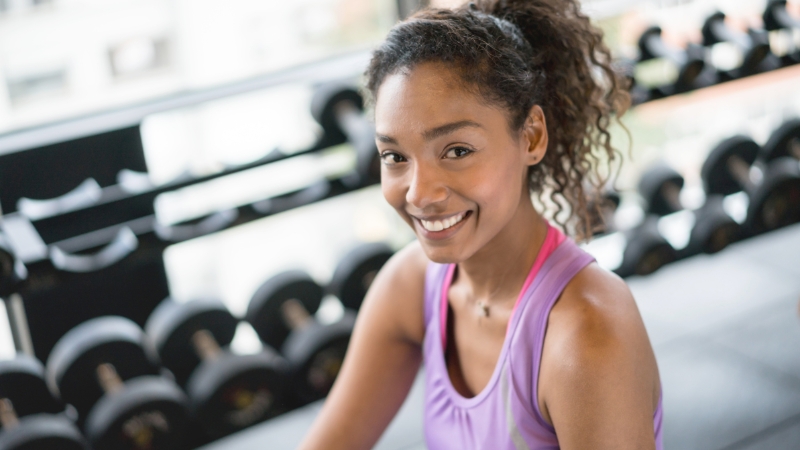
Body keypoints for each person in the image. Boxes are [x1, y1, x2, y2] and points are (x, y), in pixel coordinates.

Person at [300, 0, 662, 448]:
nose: (418, 193)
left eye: (456, 150)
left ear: (530, 136)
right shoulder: (412, 284)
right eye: (395, 157)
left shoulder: (586, 335)